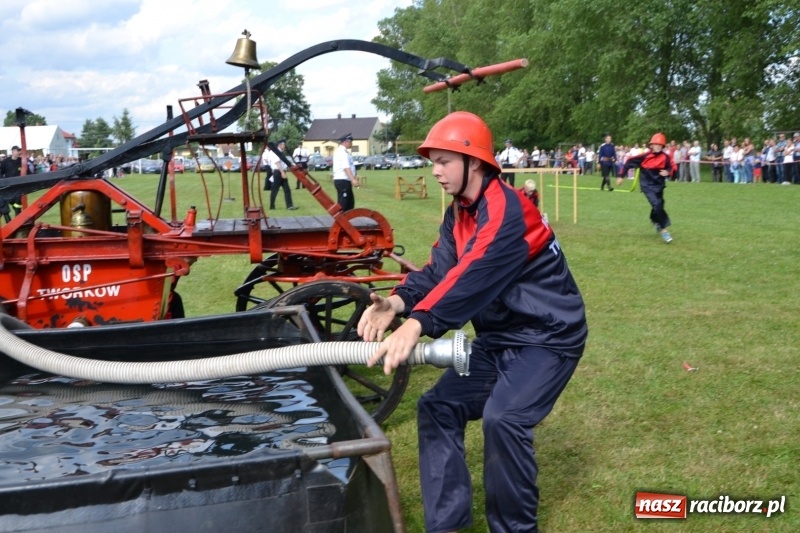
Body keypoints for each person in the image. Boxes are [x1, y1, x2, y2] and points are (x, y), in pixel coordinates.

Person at [357, 111, 587, 533]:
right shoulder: (459, 213)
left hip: (549, 339)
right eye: (433, 161)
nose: (435, 170)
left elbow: (471, 278)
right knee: (437, 406)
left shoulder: (507, 212)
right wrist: (395, 303)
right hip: (499, 341)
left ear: (475, 163)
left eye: (444, 161)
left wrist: (418, 324)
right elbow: (437, 271)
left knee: (505, 418)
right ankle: (447, 526)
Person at [620, 132, 675, 243]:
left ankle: (655, 221)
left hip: (659, 185)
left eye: (660, 145)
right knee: (657, 204)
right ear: (651, 145)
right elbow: (629, 161)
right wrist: (621, 176)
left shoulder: (666, 157)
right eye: (655, 144)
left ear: (663, 146)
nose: (657, 146)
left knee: (659, 205)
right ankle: (664, 230)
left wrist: (668, 172)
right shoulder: (644, 156)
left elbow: (673, 167)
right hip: (647, 185)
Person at [267, 139, 298, 211]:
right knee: (275, 190)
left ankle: (289, 206)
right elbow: (277, 163)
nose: (284, 146)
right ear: (280, 145)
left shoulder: (280, 152)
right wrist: (282, 173)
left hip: (281, 171)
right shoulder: (274, 152)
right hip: (278, 172)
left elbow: (284, 162)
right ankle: (272, 206)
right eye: (283, 144)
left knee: (287, 189)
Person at [332, 133, 359, 211]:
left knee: (349, 203)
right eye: (351, 142)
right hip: (342, 180)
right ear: (346, 142)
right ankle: (341, 221)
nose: (351, 144)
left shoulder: (344, 152)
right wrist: (353, 179)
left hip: (344, 180)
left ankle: (346, 221)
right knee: (344, 204)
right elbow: (346, 167)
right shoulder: (342, 152)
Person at [0, 145, 24, 221]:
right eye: (18, 150)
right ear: (13, 151)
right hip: (8, 186)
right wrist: (3, 181)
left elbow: (28, 172)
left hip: (18, 186)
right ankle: (11, 222)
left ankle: (17, 220)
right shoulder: (5, 161)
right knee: (5, 203)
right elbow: (1, 172)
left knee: (18, 203)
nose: (19, 152)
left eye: (19, 150)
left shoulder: (21, 161)